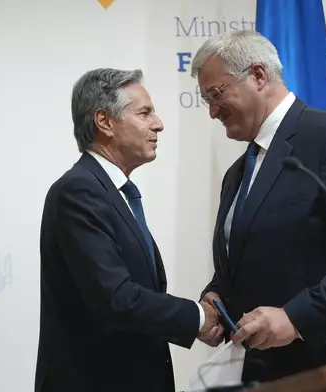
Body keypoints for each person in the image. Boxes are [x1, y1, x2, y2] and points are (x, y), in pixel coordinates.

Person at [190, 30, 326, 383]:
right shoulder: (238, 173)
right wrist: (218, 294)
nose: (213, 111)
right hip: (276, 376)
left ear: (259, 75)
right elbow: (252, 257)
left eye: (217, 94)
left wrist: (297, 317)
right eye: (206, 100)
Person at [34, 68, 221, 392]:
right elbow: (116, 298)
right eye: (144, 113)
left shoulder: (110, 192)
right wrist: (199, 318)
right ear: (104, 121)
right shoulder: (79, 192)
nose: (158, 124)